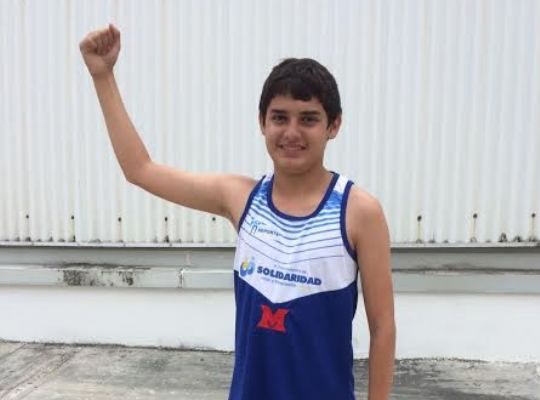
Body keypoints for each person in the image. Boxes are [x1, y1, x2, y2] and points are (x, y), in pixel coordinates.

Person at [80, 23, 396, 400]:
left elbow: (383, 328)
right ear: (262, 122)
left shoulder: (358, 211)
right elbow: (140, 169)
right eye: (280, 117)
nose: (292, 132)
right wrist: (103, 76)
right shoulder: (242, 198)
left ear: (334, 125)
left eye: (308, 118)